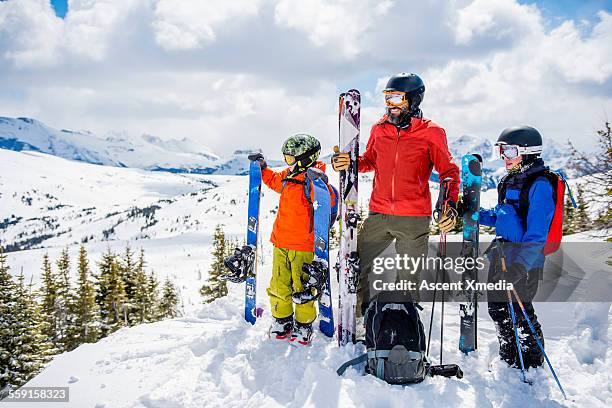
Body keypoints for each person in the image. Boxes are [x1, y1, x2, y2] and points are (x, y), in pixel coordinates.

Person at [332, 73, 460, 315]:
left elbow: (449, 171)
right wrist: (349, 162)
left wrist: (450, 203)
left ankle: (402, 330)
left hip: (413, 218)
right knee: (355, 264)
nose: (391, 105)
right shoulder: (379, 129)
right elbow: (370, 160)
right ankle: (362, 318)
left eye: (397, 99)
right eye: (387, 98)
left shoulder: (431, 132)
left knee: (407, 279)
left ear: (414, 100)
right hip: (378, 213)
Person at [249, 134, 336, 346]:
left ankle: (304, 324)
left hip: (303, 246)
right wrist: (263, 168)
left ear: (305, 158)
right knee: (279, 285)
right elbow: (272, 180)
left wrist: (323, 186)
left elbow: (330, 206)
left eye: (290, 159)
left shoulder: (315, 181)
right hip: (281, 242)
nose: (288, 163)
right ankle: (282, 319)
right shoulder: (288, 176)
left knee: (302, 287)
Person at [480, 125, 554, 369]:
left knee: (520, 312)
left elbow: (536, 234)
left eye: (510, 151)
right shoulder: (509, 181)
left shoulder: (540, 185)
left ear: (528, 151)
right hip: (501, 254)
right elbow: (503, 216)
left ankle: (532, 361)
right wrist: (474, 214)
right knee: (498, 309)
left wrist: (520, 267)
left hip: (524, 261)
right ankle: (510, 356)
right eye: (502, 150)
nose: (504, 157)